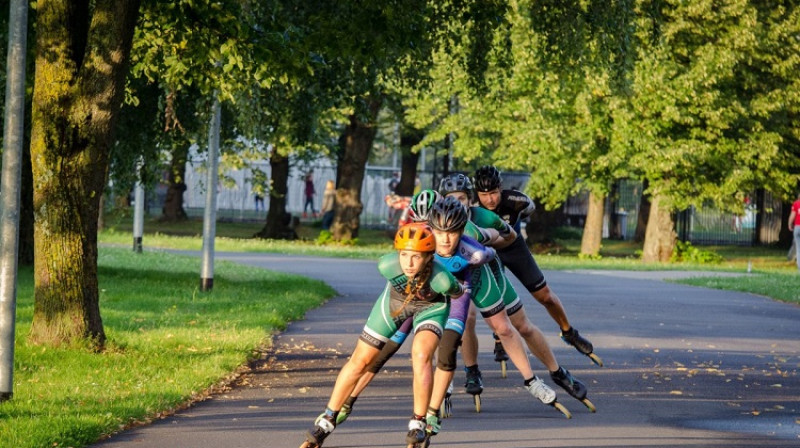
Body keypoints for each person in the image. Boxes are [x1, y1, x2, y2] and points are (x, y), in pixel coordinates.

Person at [300, 222, 466, 448]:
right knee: (361, 360)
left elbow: (457, 293)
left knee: (420, 355)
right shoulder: (387, 265)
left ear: (429, 257)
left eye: (416, 257)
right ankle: (328, 418)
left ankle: (418, 422)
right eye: (404, 255)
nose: (408, 263)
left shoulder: (442, 279)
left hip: (431, 307)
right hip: (394, 302)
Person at [439, 173, 593, 414]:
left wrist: (487, 244)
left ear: (470, 200)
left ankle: (555, 372)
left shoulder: (484, 217)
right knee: (462, 321)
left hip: (488, 269)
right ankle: (468, 373)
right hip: (458, 279)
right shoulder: (437, 219)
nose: (458, 203)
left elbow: (509, 235)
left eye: (462, 198)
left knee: (516, 325)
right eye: (452, 198)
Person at [473, 165, 602, 366]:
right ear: (477, 194)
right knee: (496, 299)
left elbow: (529, 208)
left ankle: (568, 332)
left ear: (501, 189)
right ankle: (499, 337)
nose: (490, 199)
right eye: (484, 194)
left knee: (546, 296)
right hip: (489, 253)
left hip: (514, 248)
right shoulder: (473, 208)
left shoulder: (517, 201)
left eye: (494, 193)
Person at [788, 192, 800, 272]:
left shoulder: (796, 204)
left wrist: (789, 224)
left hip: (798, 227)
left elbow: (792, 215)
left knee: (799, 249)